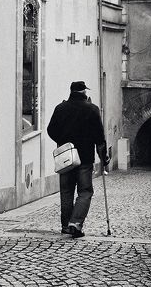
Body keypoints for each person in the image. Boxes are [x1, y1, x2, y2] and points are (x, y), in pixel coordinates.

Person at [47, 80, 109, 238]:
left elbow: (51, 130)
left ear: (71, 91)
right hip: (85, 158)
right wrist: (103, 158)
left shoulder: (60, 108)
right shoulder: (92, 109)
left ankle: (65, 226)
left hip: (66, 157)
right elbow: (99, 137)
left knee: (66, 192)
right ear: (84, 92)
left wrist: (62, 140)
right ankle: (75, 223)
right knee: (85, 191)